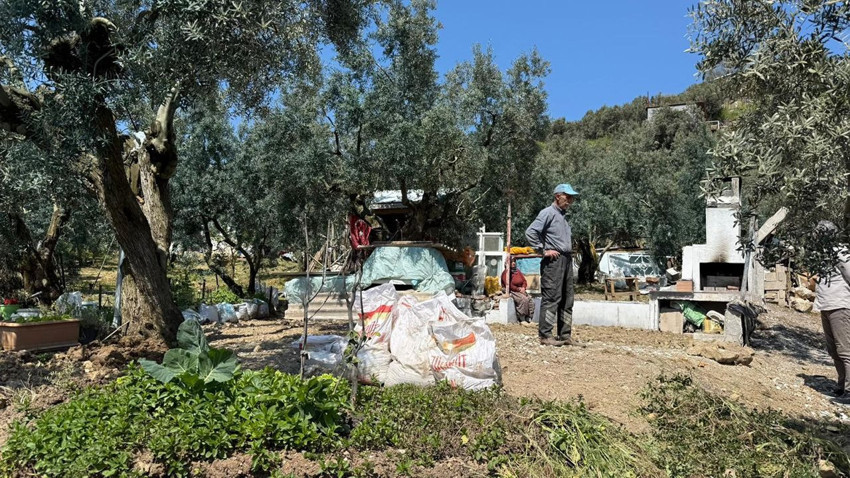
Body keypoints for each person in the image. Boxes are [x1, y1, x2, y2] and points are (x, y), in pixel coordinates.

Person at [525, 183, 578, 346]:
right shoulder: (547, 213)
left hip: (566, 260)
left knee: (567, 299)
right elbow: (530, 232)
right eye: (567, 197)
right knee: (552, 298)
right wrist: (543, 251)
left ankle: (565, 335)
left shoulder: (563, 217)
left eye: (571, 198)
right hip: (553, 262)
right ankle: (545, 335)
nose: (570, 201)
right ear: (558, 196)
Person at [812, 220, 850, 406]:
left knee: (845, 350)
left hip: (840, 305)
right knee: (833, 349)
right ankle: (842, 384)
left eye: (819, 233)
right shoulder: (822, 254)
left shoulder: (840, 252)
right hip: (826, 305)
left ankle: (849, 392)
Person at [502, 258, 535, 325]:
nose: (513, 263)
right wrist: (519, 289)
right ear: (507, 264)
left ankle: (528, 318)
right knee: (523, 299)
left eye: (514, 262)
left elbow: (524, 281)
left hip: (521, 290)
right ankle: (522, 318)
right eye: (511, 262)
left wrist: (523, 287)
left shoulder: (517, 271)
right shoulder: (506, 273)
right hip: (513, 291)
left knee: (530, 299)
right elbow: (509, 285)